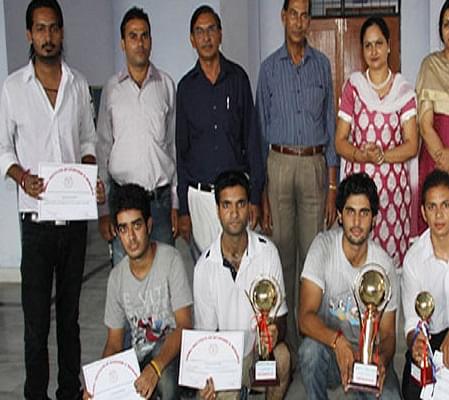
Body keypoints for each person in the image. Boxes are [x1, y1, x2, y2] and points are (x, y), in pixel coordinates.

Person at [0, 0, 105, 398]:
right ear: (29, 34)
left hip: (74, 221)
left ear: (62, 32)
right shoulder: (13, 88)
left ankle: (68, 392)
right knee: (36, 324)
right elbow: (2, 148)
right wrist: (21, 177)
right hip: (36, 223)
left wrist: (90, 174)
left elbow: (88, 141)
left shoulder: (77, 84)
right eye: (40, 29)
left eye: (54, 28)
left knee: (70, 318)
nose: (48, 36)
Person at [256, 0, 338, 359]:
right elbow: (260, 131)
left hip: (314, 165)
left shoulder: (322, 65)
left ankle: (312, 346)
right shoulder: (268, 69)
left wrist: (332, 187)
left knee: (313, 256)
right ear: (283, 18)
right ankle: (285, 344)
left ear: (309, 21)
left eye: (305, 15)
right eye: (294, 14)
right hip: (278, 165)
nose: (299, 21)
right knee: (281, 255)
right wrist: (261, 191)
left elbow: (331, 126)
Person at [84, 184, 192, 399]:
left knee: (165, 378)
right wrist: (99, 382)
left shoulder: (170, 260)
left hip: (172, 356)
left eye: (137, 226)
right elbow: (114, 343)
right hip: (139, 357)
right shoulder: (117, 277)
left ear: (149, 225)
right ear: (117, 233)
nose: (131, 237)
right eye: (124, 229)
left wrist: (155, 368)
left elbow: (184, 326)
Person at [298, 173, 401, 399]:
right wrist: (338, 342)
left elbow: (388, 334)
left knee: (391, 397)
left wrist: (381, 361)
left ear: (374, 219)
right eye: (350, 211)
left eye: (364, 213)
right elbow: (304, 318)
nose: (356, 221)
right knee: (309, 352)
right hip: (331, 350)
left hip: (369, 359)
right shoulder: (323, 247)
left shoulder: (384, 265)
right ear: (339, 215)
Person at [194, 170, 290, 400]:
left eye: (240, 204)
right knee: (213, 392)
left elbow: (281, 318)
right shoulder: (204, 267)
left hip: (257, 354)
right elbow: (205, 336)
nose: (234, 213)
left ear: (249, 207)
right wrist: (206, 379)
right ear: (217, 210)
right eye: (226, 205)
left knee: (283, 357)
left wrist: (274, 332)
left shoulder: (268, 253)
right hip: (224, 359)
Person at [176, 5, 264, 254]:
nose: (206, 37)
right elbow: (181, 151)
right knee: (206, 265)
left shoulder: (238, 78)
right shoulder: (186, 88)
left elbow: (252, 140)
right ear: (192, 39)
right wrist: (183, 209)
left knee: (241, 263)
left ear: (220, 34)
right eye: (200, 31)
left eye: (211, 29)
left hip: (235, 197)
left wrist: (255, 197)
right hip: (200, 198)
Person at [96, 7, 178, 265]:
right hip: (123, 203)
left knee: (164, 275)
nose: (140, 43)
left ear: (151, 40)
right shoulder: (111, 89)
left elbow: (173, 147)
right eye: (133, 36)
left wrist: (175, 203)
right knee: (126, 278)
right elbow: (103, 149)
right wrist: (104, 210)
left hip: (160, 202)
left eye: (144, 35)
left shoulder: (166, 85)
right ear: (123, 43)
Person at [335, 16, 418, 267]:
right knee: (360, 257)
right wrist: (362, 156)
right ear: (362, 50)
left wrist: (382, 156)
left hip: (394, 192)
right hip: (359, 192)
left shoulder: (404, 91)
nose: (374, 51)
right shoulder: (353, 88)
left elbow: (412, 144)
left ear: (389, 46)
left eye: (379, 44)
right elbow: (340, 141)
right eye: (368, 45)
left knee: (390, 262)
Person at [401, 170, 449, 399]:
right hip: (432, 336)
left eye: (446, 205)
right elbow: (412, 322)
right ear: (423, 212)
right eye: (432, 207)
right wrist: (416, 343)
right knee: (413, 390)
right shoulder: (413, 259)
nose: (439, 214)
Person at [416, 0, 449, 234]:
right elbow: (425, 125)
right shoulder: (430, 65)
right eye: (447, 24)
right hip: (435, 158)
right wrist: (444, 159)